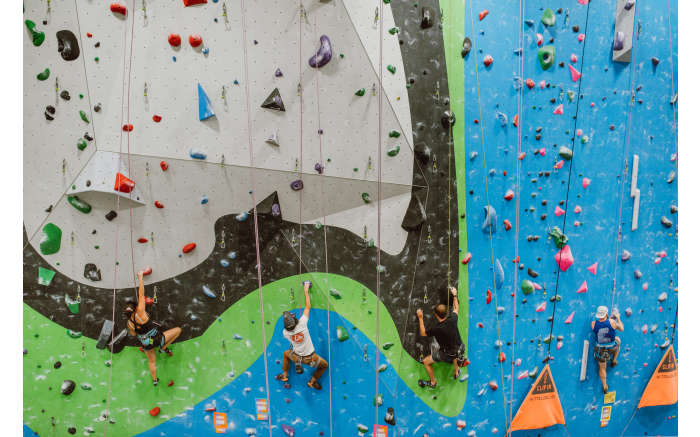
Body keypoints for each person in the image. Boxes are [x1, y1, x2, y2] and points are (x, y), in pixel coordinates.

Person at [124, 270, 182, 386]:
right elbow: (141, 294)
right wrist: (140, 277)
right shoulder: (140, 312)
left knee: (152, 361)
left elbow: (134, 334)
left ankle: (155, 380)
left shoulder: (129, 323)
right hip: (156, 338)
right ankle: (163, 347)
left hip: (146, 343)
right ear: (135, 309)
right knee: (178, 331)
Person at [275, 281, 328, 390]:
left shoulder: (285, 333)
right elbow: (307, 306)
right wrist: (306, 289)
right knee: (324, 365)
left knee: (286, 354)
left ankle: (285, 375)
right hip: (311, 358)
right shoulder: (302, 323)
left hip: (296, 357)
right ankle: (312, 382)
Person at [416, 286, 465, 388]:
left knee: (426, 362)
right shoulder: (453, 319)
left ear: (436, 315)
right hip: (460, 348)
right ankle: (456, 372)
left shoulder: (436, 329)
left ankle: (433, 382)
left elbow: (423, 333)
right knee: (455, 353)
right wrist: (454, 295)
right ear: (446, 314)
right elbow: (456, 308)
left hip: (447, 354)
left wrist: (420, 318)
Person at [591, 305, 624, 394]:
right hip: (611, 348)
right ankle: (614, 360)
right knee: (618, 341)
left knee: (602, 368)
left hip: (600, 350)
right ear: (606, 314)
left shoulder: (593, 324)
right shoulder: (612, 322)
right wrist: (618, 318)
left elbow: (601, 326)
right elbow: (621, 328)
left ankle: (605, 386)